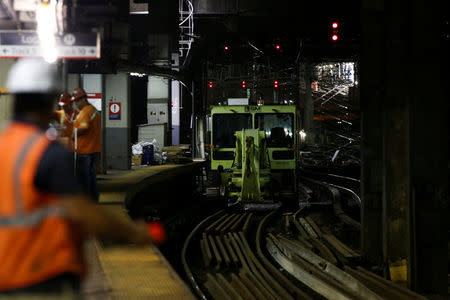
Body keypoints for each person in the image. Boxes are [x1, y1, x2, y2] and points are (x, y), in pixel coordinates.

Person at [0, 58, 152, 298]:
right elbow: (85, 214)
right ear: (49, 100)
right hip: (43, 280)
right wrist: (134, 233)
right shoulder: (45, 152)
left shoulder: (3, 145)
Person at [71, 87, 101, 201]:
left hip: (84, 151)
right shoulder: (93, 110)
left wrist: (73, 135)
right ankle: (93, 200)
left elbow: (84, 127)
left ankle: (87, 202)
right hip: (93, 149)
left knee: (84, 180)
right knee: (91, 178)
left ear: (83, 99)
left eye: (76, 101)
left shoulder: (85, 112)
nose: (76, 104)